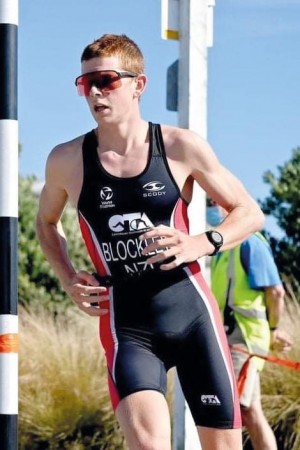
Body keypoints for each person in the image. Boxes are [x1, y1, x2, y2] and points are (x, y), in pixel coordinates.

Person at [36, 33, 265, 450]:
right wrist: (68, 277)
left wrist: (203, 241)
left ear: (138, 85)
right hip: (129, 325)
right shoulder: (67, 160)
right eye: (85, 83)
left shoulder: (179, 147)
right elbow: (46, 224)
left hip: (193, 318)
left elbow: (249, 212)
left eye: (105, 80)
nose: (95, 92)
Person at [207, 201, 292, 450]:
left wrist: (274, 330)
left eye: (214, 203)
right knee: (249, 410)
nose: (210, 209)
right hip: (233, 338)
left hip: (244, 340)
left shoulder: (251, 243)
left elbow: (276, 292)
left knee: (231, 406)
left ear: (228, 206)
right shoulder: (223, 250)